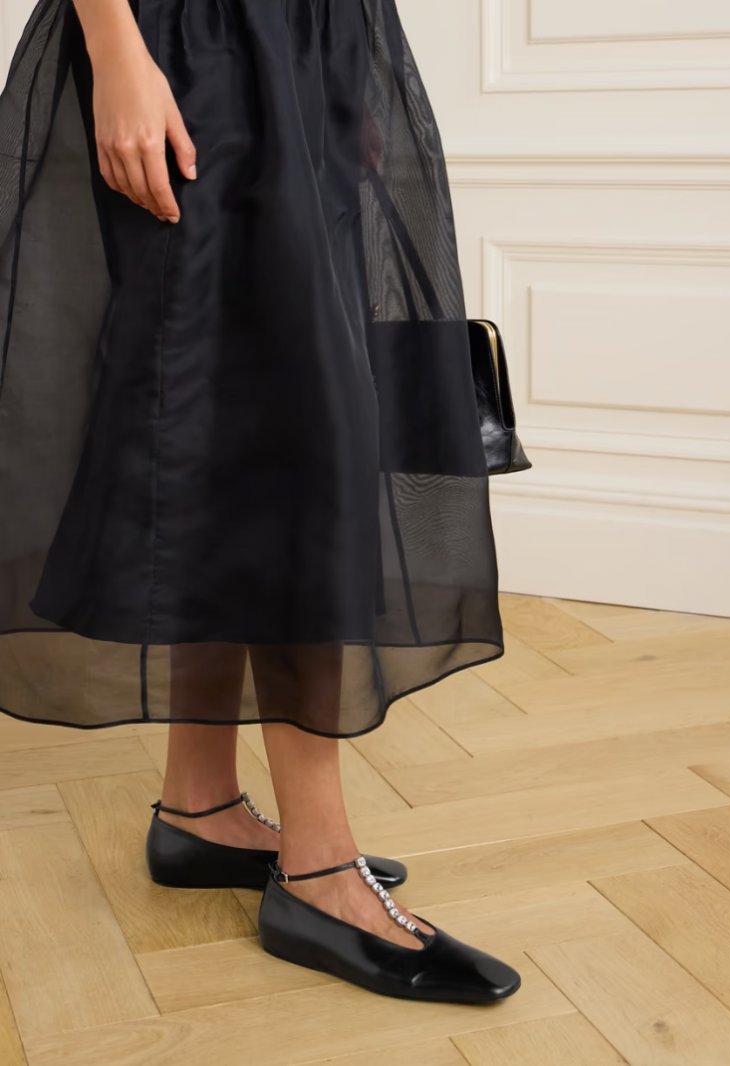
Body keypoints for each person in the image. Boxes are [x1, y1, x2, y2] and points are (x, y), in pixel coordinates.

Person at [0, 0, 521, 1003]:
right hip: (194, 42)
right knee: (290, 439)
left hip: (310, 39)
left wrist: (337, 71)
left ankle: (198, 805)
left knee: (240, 431)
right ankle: (319, 869)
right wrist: (114, 45)